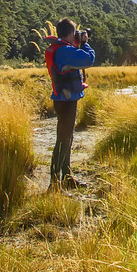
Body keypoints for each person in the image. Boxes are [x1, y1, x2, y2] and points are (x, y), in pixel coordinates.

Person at [44, 18, 95, 189]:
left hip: (64, 99)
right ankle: (54, 185)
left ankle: (67, 178)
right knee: (62, 142)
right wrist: (85, 44)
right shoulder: (65, 51)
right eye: (75, 32)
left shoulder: (62, 49)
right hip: (65, 101)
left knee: (66, 140)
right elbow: (88, 59)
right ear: (71, 33)